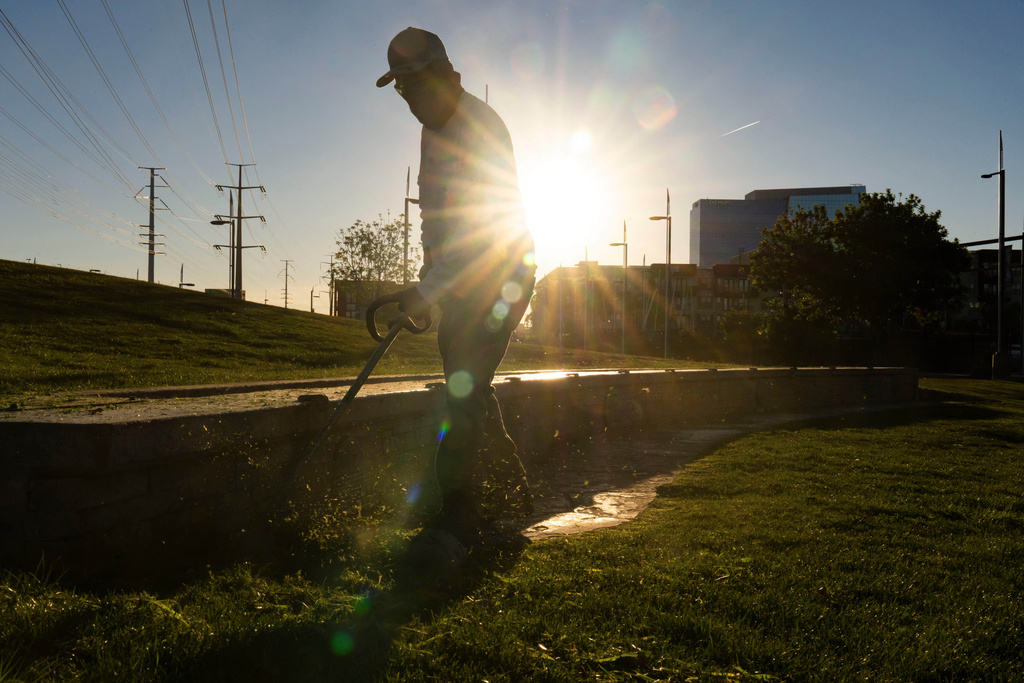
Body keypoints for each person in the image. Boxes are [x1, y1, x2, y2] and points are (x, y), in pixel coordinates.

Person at [376, 27, 536, 546]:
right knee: (466, 379)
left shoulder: (479, 130)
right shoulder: (431, 128)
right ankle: (509, 487)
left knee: (463, 384)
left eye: (415, 86)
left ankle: (459, 508)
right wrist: (428, 276)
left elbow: (482, 234)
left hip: (503, 274)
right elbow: (435, 218)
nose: (409, 100)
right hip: (465, 277)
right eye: (401, 90)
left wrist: (430, 291)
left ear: (448, 76)